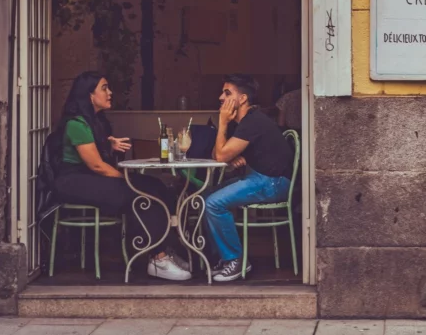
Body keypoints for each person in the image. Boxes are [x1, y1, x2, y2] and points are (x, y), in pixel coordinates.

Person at [52, 71, 192, 281]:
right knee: (141, 196)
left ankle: (165, 247)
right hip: (74, 181)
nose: (110, 93)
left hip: (90, 177)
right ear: (90, 95)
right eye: (104, 88)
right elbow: (97, 166)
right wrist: (126, 180)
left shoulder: (95, 121)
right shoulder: (76, 124)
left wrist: (110, 145)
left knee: (156, 186)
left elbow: (95, 153)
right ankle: (157, 258)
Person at [204, 74, 295, 281]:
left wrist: (222, 124)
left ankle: (236, 261)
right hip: (258, 178)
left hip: (272, 182)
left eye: (227, 93)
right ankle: (222, 257)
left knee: (213, 203)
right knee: (203, 197)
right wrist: (230, 156)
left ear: (243, 98)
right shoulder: (244, 122)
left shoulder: (252, 122)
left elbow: (219, 155)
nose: (220, 97)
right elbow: (217, 154)